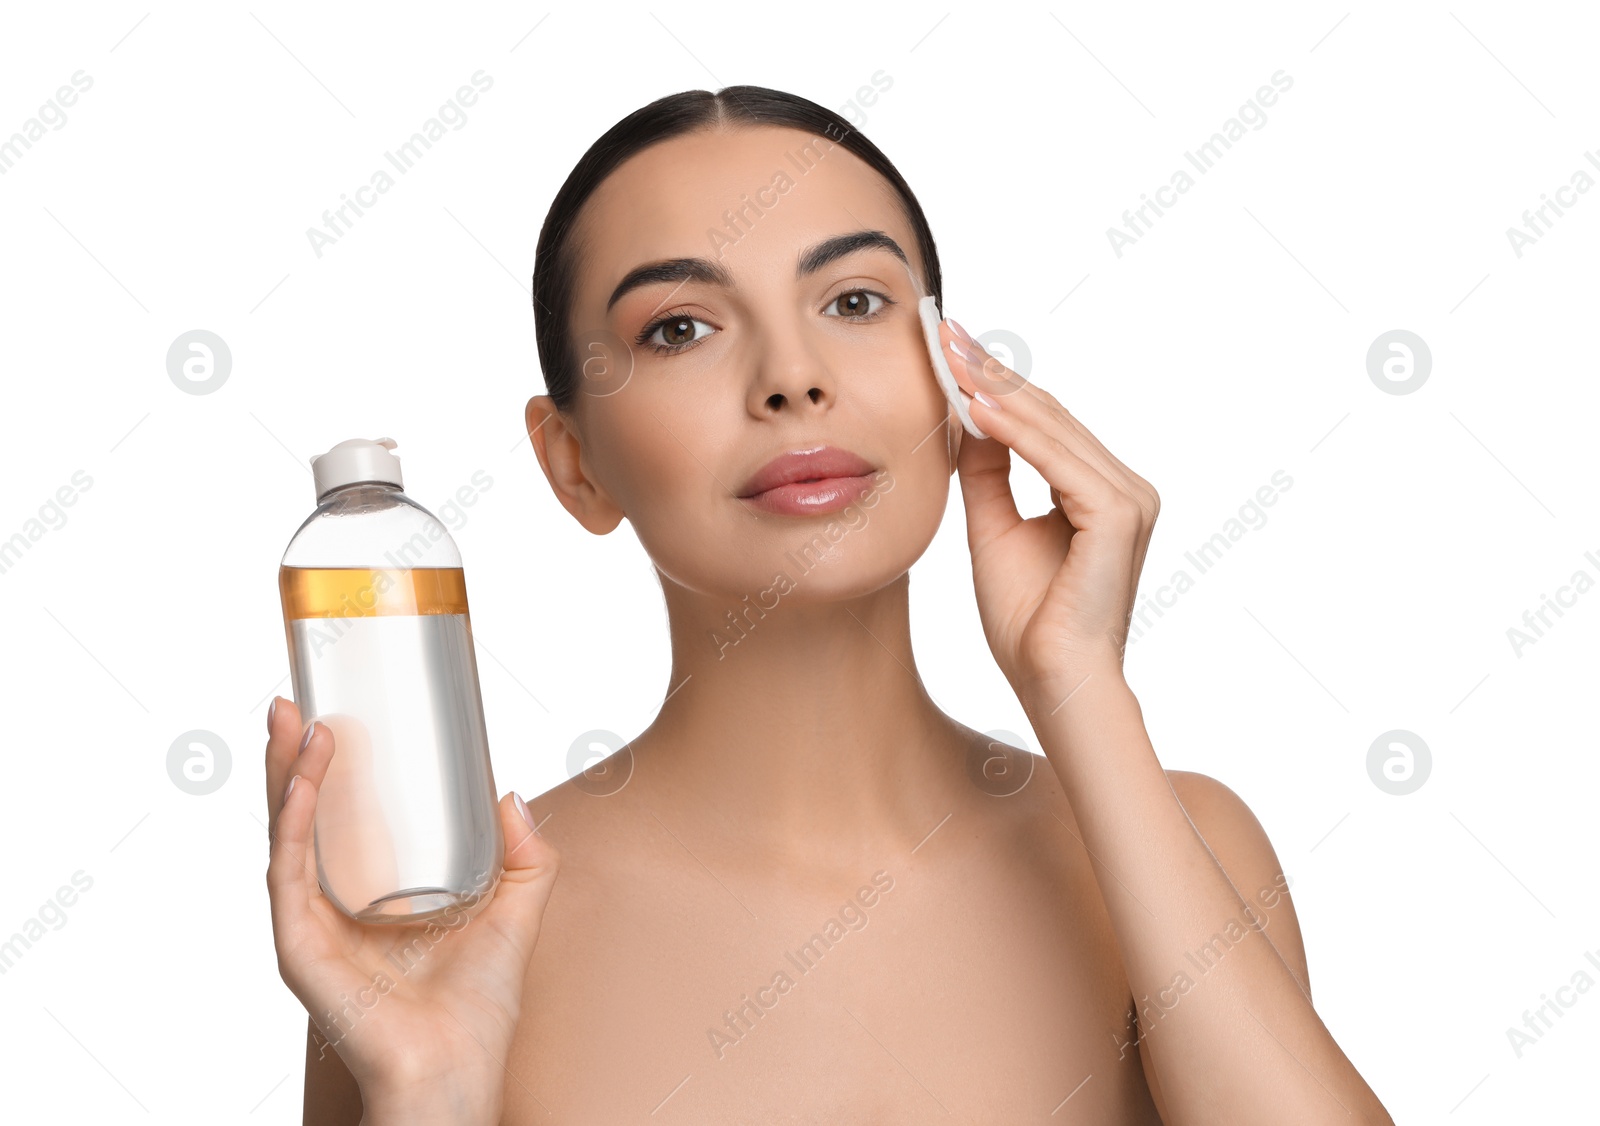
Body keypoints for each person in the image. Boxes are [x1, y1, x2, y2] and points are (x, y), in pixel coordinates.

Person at [266, 84, 1394, 1124]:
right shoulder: (440, 936)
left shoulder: (1176, 841)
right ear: (575, 464)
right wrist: (427, 1089)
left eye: (854, 300)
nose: (792, 376)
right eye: (680, 327)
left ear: (957, 377)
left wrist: (1081, 688)